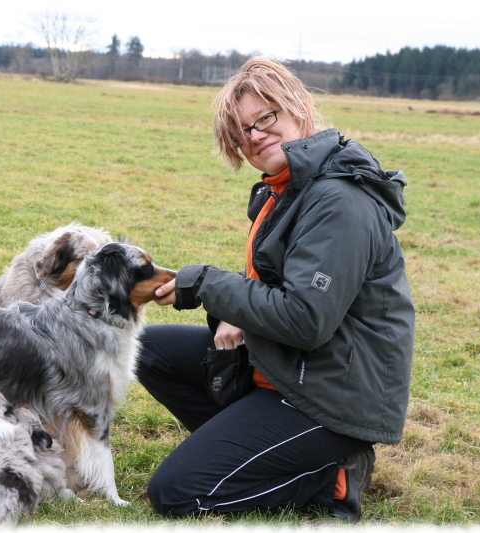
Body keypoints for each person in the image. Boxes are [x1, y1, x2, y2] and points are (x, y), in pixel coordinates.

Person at [137, 56, 414, 523]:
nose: (254, 136)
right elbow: (279, 285)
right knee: (148, 350)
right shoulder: (288, 188)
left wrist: (206, 284)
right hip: (284, 366)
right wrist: (226, 306)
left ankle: (330, 475)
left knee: (177, 493)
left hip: (328, 397)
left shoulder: (339, 199)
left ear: (299, 107)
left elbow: (306, 320)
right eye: (241, 133)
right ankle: (253, 454)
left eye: (266, 118)